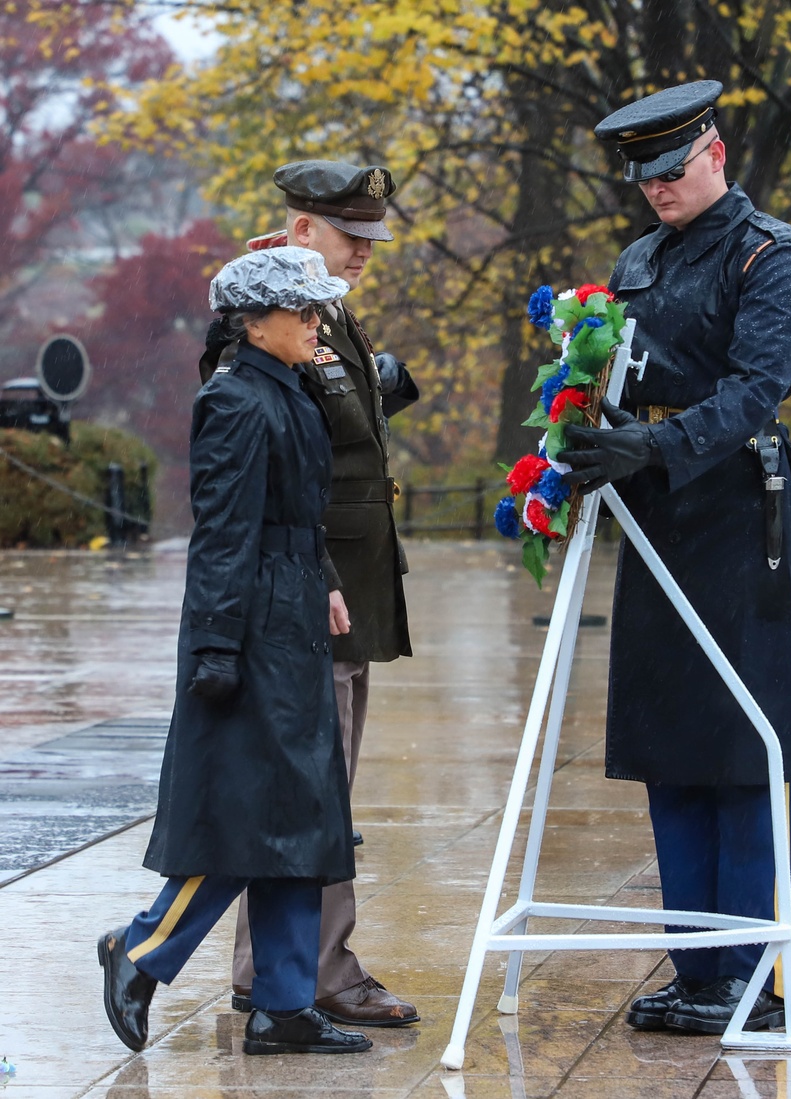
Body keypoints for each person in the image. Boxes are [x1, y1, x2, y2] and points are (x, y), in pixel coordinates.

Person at [558, 80, 791, 1035]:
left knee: (745, 752)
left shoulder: (769, 254)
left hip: (739, 518)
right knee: (669, 751)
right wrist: (586, 435)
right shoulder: (639, 259)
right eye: (645, 177)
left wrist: (656, 446)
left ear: (715, 152)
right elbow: (609, 370)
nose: (659, 189)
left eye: (673, 170)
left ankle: (761, 977)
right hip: (655, 516)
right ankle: (702, 969)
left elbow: (760, 386)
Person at [98, 246, 374, 1056]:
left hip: (287, 617)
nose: (316, 323)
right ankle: (141, 949)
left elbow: (293, 511)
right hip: (249, 629)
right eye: (304, 312)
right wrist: (217, 650)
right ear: (254, 322)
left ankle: (284, 1004)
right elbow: (221, 537)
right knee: (245, 820)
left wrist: (320, 577)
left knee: (300, 818)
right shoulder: (237, 401)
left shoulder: (285, 393)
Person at [202, 160, 419, 1028]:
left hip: (349, 588)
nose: (364, 251)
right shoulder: (268, 320)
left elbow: (335, 436)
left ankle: (285, 968)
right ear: (300, 232)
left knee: (327, 789)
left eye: (370, 236)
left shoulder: (331, 315)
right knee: (310, 794)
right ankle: (311, 972)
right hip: (309, 592)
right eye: (347, 235)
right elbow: (263, 443)